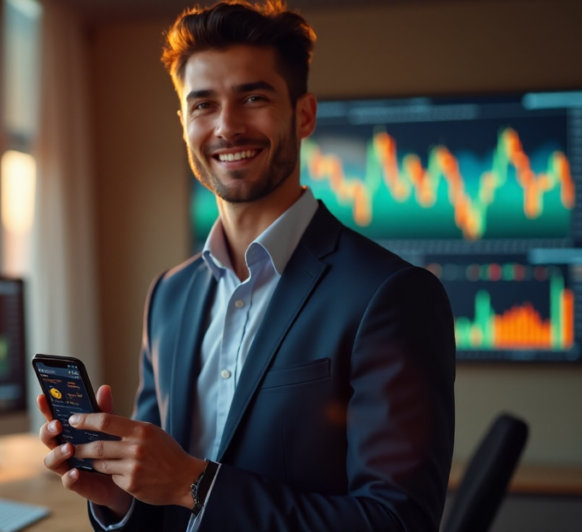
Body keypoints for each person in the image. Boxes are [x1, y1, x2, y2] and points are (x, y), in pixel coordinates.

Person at [37, 1, 456, 530]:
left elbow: (398, 522)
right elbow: (165, 502)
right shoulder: (168, 294)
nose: (227, 127)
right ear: (185, 123)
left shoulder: (393, 294)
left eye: (253, 98)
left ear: (303, 114)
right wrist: (119, 497)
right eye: (203, 105)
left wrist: (195, 483)